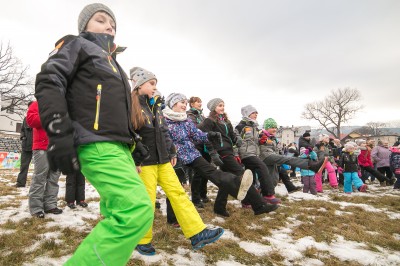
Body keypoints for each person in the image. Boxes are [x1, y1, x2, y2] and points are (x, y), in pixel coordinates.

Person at [34, 4, 153, 265]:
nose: (109, 26)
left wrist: (135, 145)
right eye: (101, 20)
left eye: (113, 23)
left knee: (118, 214)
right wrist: (58, 130)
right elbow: (49, 80)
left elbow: (113, 110)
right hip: (96, 143)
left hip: (119, 147)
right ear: (84, 26)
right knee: (135, 211)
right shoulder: (76, 44)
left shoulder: (114, 64)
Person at [130, 67, 224, 256]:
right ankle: (142, 240)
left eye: (156, 84)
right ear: (139, 86)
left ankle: (197, 233)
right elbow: (128, 133)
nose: (155, 88)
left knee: (179, 193)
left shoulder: (155, 107)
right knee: (147, 201)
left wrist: (171, 150)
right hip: (144, 162)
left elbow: (163, 131)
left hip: (163, 160)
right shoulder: (131, 106)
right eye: (151, 84)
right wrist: (135, 159)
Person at [26, 101, 62, 218]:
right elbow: (31, 120)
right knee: (40, 176)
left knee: (54, 177)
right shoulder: (37, 104)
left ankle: (50, 205)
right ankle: (36, 208)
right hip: (42, 146)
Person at [187, 96, 210, 207]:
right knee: (198, 173)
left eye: (200, 101)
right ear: (191, 104)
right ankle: (195, 198)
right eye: (197, 102)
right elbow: (194, 129)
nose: (200, 103)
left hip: (206, 146)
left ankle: (203, 194)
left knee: (206, 171)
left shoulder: (202, 116)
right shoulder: (190, 116)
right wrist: (206, 124)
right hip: (197, 146)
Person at [15, 101, 34, 188]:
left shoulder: (39, 117)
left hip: (36, 147)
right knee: (23, 166)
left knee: (39, 168)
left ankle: (35, 185)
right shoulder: (25, 119)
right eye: (29, 107)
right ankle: (20, 183)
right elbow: (22, 130)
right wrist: (22, 136)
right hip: (26, 145)